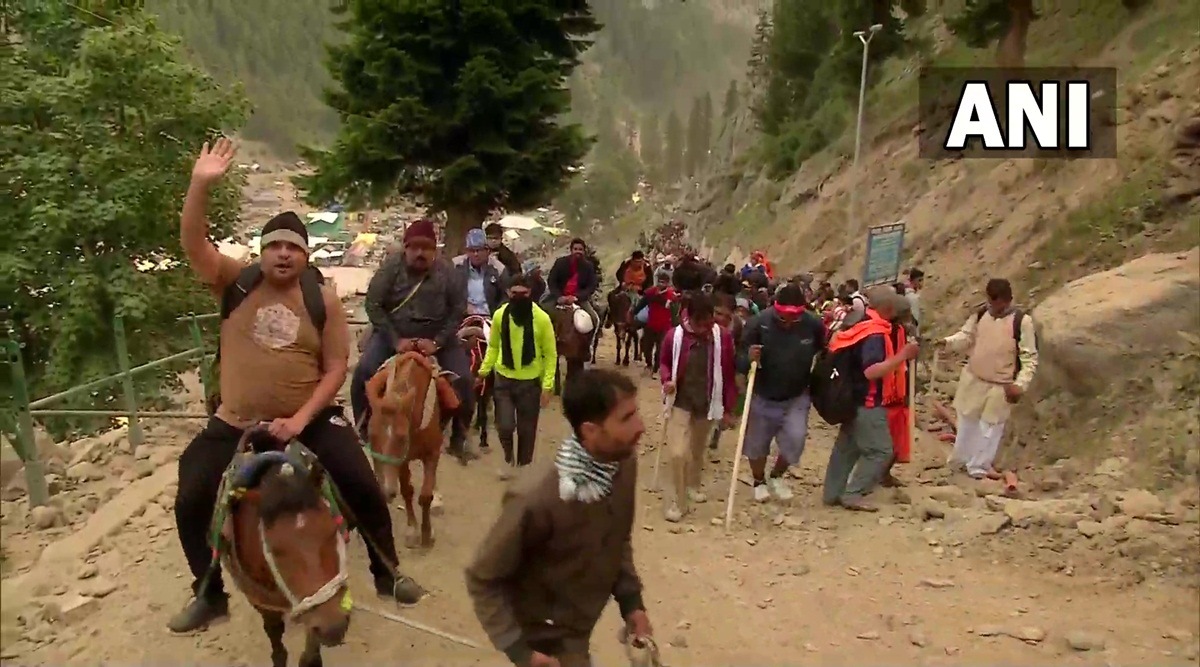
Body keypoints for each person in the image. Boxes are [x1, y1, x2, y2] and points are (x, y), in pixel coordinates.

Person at [169, 139, 422, 633]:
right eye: (274, 246)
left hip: (308, 419)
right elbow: (192, 243)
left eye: (294, 247)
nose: (283, 254)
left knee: (362, 482)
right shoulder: (233, 281)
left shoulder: (321, 297)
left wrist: (301, 419)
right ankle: (209, 591)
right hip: (236, 418)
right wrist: (199, 184)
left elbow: (334, 368)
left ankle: (387, 571)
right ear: (261, 252)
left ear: (305, 256)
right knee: (192, 493)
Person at [466, 369, 652, 667]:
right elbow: (482, 577)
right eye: (626, 418)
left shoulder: (623, 464)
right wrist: (519, 651)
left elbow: (616, 537)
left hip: (579, 623)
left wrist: (632, 605)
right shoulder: (536, 497)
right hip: (547, 636)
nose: (641, 426)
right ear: (590, 431)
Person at [356, 218, 476, 462]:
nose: (420, 253)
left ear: (435, 249)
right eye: (415, 247)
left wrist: (439, 341)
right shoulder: (390, 269)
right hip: (395, 332)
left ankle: (459, 436)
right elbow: (373, 304)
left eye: (426, 248)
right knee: (364, 372)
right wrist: (395, 340)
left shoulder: (448, 274)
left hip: (437, 334)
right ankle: (364, 427)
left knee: (464, 379)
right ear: (406, 247)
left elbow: (457, 309)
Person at [821, 287, 919, 512]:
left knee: (847, 448)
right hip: (868, 400)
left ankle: (832, 493)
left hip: (850, 398)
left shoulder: (860, 325)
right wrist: (902, 356)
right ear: (888, 309)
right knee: (882, 451)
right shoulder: (876, 334)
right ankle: (853, 494)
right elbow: (871, 371)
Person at [938, 278, 1038, 479]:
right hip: (974, 378)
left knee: (989, 428)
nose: (994, 306)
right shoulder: (981, 314)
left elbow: (1029, 357)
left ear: (1006, 300)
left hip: (1001, 385)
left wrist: (1020, 385)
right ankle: (959, 461)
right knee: (967, 422)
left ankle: (978, 468)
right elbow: (966, 337)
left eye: (997, 302)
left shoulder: (1022, 322)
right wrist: (947, 343)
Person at [738, 284, 826, 502]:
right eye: (783, 316)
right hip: (762, 394)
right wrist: (748, 357)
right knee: (757, 444)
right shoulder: (758, 323)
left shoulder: (813, 324)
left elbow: (822, 352)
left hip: (797, 396)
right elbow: (737, 358)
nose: (788, 321)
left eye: (794, 316)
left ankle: (777, 476)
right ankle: (759, 481)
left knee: (795, 440)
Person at [659, 292, 737, 523]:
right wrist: (667, 380)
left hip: (707, 402)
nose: (704, 329)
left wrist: (729, 408)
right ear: (689, 317)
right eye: (699, 323)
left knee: (697, 450)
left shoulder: (721, 337)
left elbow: (728, 373)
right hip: (680, 402)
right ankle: (679, 500)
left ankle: (693, 484)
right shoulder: (674, 337)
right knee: (677, 453)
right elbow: (664, 362)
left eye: (708, 323)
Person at [476, 274, 557, 479]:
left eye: (524, 294)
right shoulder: (499, 316)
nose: (519, 297)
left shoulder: (541, 318)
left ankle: (523, 468)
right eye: (515, 293)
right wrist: (483, 371)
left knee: (526, 430)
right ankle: (507, 457)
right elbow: (493, 347)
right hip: (503, 379)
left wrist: (548, 386)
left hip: (530, 383)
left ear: (531, 294)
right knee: (504, 425)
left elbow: (550, 354)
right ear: (508, 293)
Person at [543, 238, 600, 331]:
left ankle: (591, 344)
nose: (578, 251)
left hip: (579, 299)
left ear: (584, 251)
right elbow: (552, 281)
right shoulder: (560, 263)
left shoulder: (588, 266)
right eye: (575, 249)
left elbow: (591, 286)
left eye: (580, 249)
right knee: (543, 314)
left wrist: (576, 297)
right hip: (559, 297)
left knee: (594, 319)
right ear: (571, 250)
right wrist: (559, 297)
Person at [453, 228, 508, 317]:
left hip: (490, 317)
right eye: (472, 250)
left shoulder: (498, 269)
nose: (476, 254)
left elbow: (505, 297)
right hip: (463, 316)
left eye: (479, 250)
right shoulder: (456, 266)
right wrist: (463, 307)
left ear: (487, 251)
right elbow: (450, 295)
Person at [638, 270, 677, 377]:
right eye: (660, 282)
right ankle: (649, 364)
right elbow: (642, 303)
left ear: (668, 283)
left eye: (664, 282)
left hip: (664, 326)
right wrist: (634, 312)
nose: (661, 284)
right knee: (646, 346)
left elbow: (673, 309)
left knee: (660, 348)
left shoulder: (671, 295)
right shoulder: (650, 292)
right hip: (650, 323)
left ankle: (656, 368)